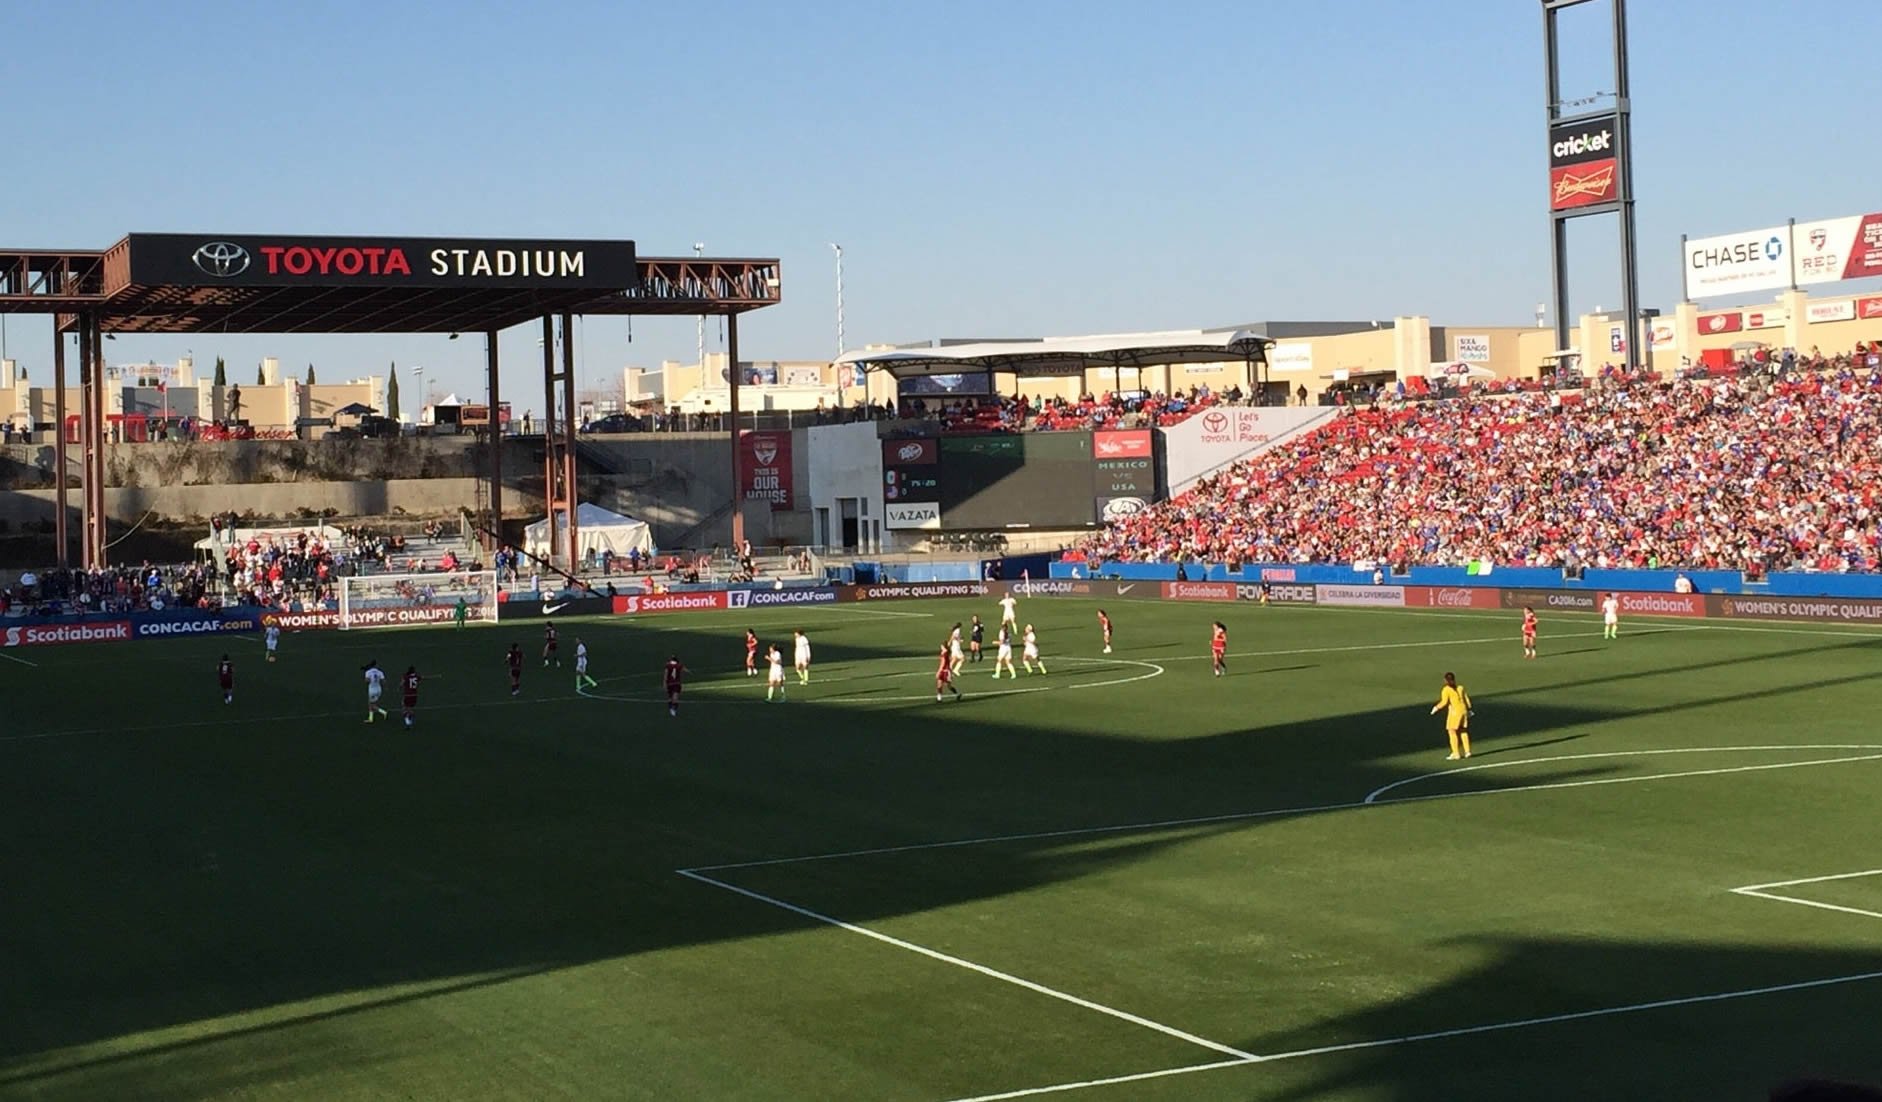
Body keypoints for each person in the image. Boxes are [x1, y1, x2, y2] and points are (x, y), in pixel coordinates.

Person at [1429, 671, 1474, 760]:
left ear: (1446, 680)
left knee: (1451, 731)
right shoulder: (1460, 688)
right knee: (1463, 730)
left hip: (1455, 713)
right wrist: (1469, 710)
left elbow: (1444, 702)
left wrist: (1436, 708)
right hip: (1463, 711)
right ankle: (1467, 751)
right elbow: (1467, 700)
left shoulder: (1446, 690)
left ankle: (1456, 753)